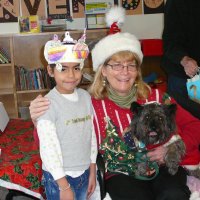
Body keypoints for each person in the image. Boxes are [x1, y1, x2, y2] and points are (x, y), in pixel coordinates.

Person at [29, 7, 200, 200]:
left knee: (173, 194)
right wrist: (38, 122)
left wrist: (171, 150)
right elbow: (56, 141)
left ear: (138, 69)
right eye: (116, 65)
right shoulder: (90, 104)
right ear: (103, 70)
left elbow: (195, 126)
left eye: (130, 65)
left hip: (164, 167)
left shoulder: (157, 97)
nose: (124, 72)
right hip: (121, 173)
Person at [35, 32, 97, 200]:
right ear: (50, 70)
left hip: (84, 172)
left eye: (76, 68)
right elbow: (49, 150)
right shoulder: (47, 104)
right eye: (63, 69)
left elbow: (91, 136)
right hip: (59, 179)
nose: (71, 75)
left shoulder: (85, 97)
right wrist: (63, 185)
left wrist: (93, 170)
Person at [161, 0, 200, 119]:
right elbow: (170, 41)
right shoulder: (177, 3)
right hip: (183, 74)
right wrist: (184, 59)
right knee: (180, 123)